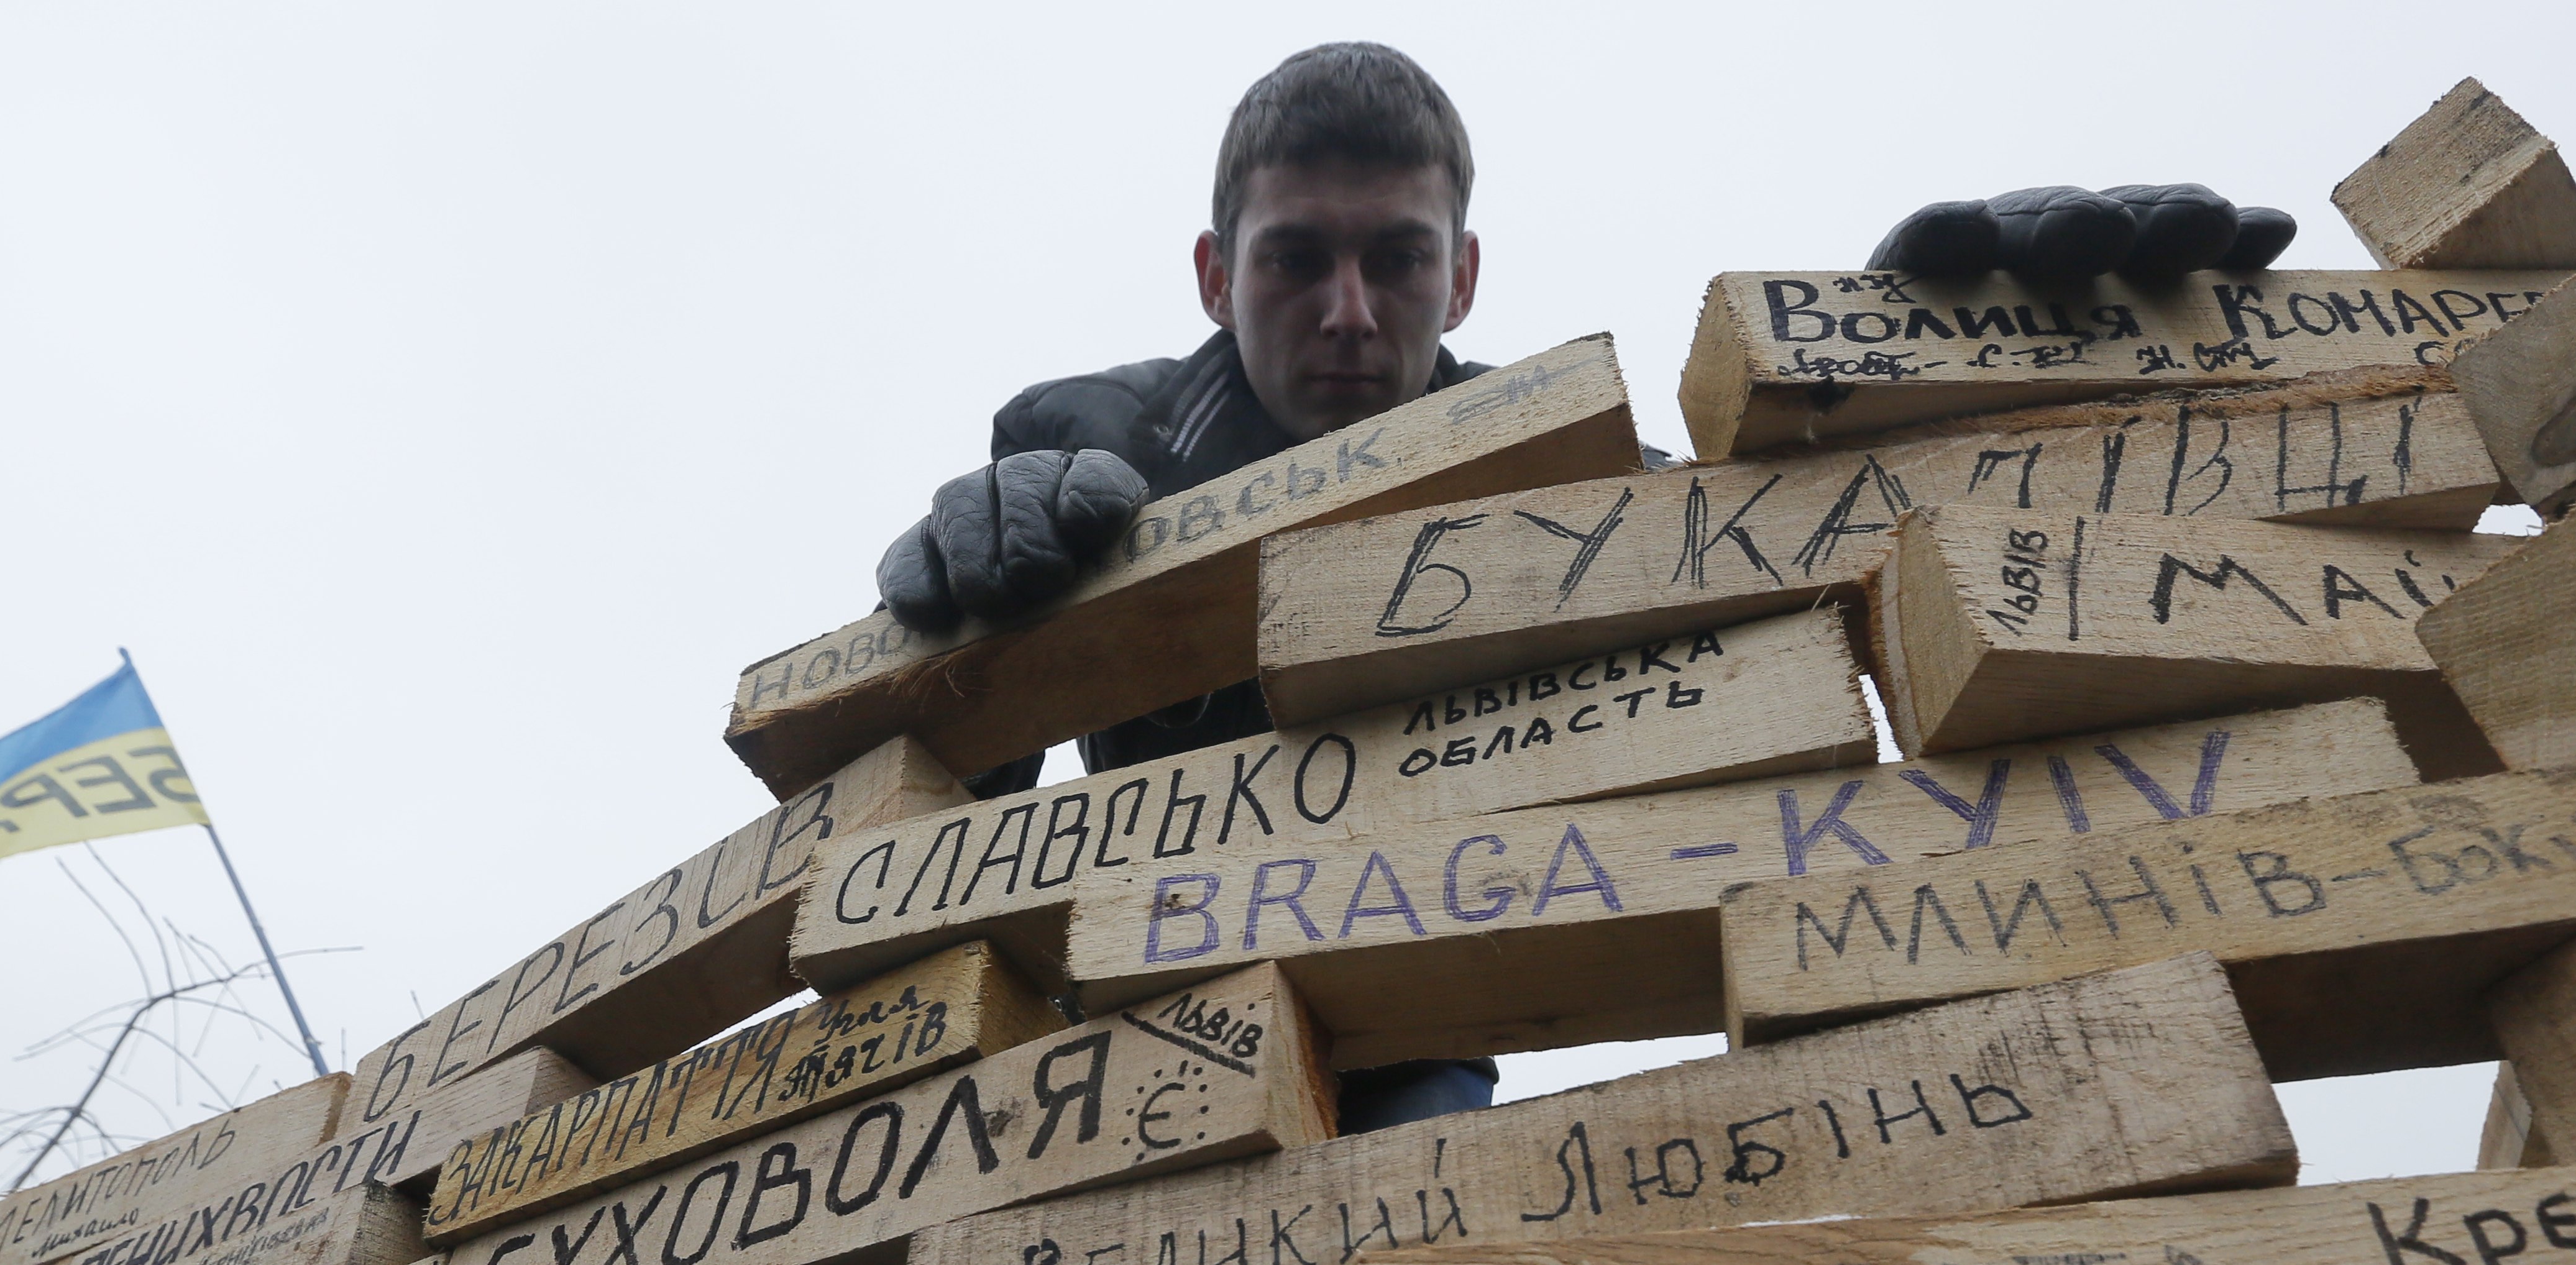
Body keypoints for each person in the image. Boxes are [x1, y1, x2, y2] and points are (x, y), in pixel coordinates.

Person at [873, 42, 2292, 1131]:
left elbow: (1783, 556)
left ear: (1467, 275)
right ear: (1212, 275)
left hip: (1414, 1041)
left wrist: (1921, 380)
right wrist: (964, 667)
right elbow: (945, 878)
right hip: (1126, 1042)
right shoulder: (1086, 444)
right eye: (1297, 259)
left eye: (1399, 258)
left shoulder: (1561, 470)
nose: (1352, 313)